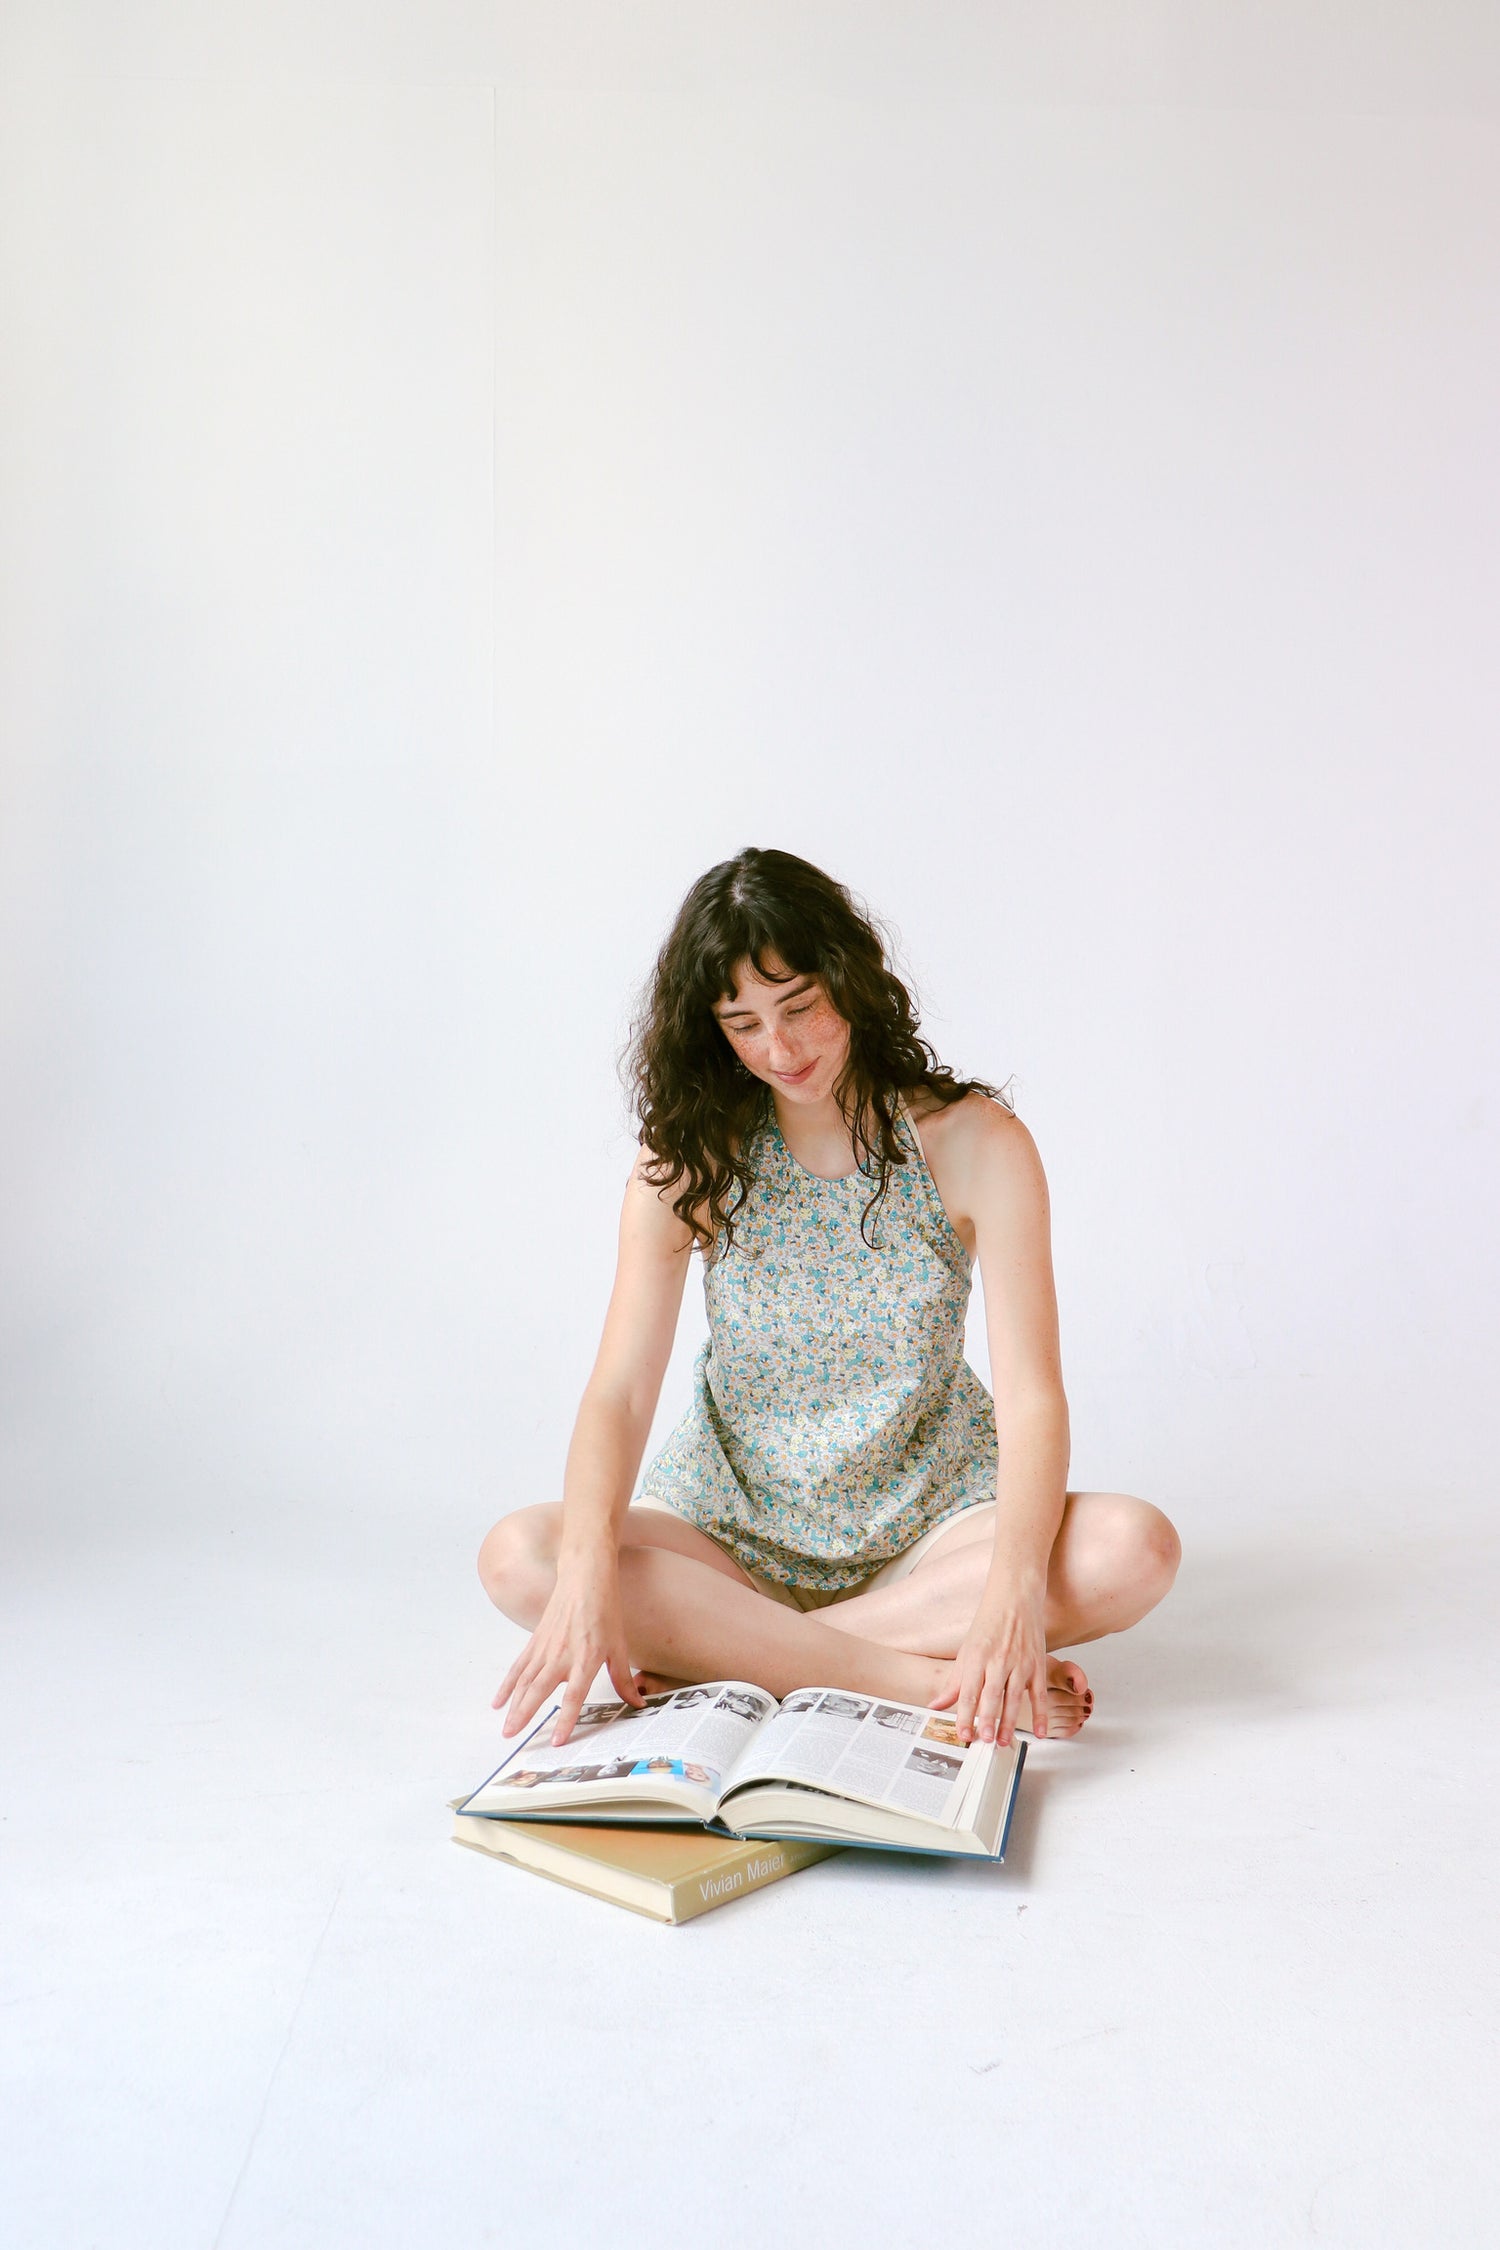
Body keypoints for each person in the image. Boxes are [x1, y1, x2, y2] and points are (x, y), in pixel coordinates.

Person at [480, 848, 1181, 1754]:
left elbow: (1034, 1391)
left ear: (849, 978)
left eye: (801, 1007)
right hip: (728, 1534)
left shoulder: (975, 1142)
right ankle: (921, 1681)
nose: (783, 1050)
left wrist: (1010, 1592)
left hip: (933, 1531)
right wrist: (581, 1580)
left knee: (1137, 1548)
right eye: (744, 1025)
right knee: (521, 1556)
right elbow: (617, 1391)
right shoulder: (688, 1163)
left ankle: (734, 1659)